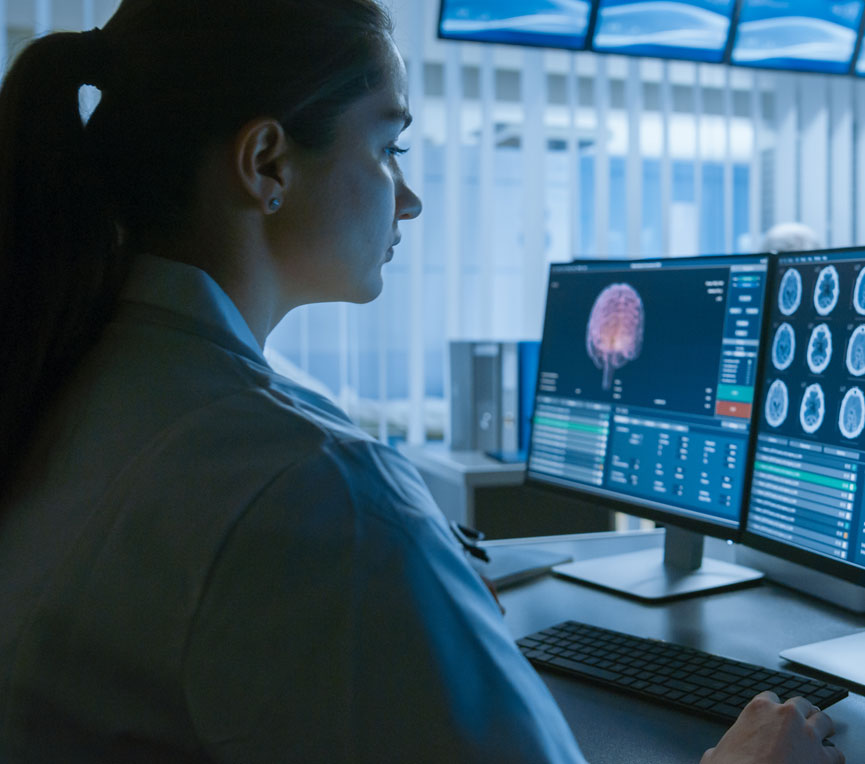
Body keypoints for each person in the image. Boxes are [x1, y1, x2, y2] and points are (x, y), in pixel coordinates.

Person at [0, 1, 845, 762]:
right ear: (266, 163)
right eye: (387, 146)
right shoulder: (310, 486)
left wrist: (400, 591)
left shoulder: (78, 373)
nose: (408, 199)